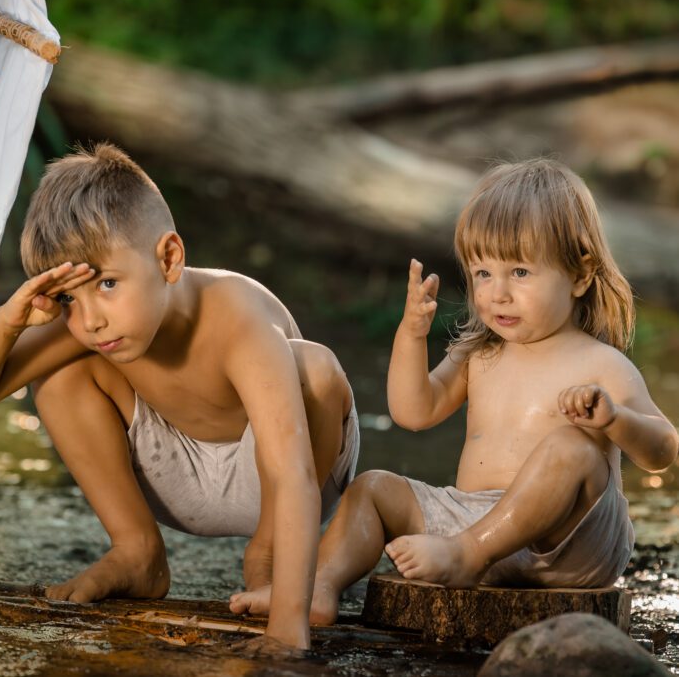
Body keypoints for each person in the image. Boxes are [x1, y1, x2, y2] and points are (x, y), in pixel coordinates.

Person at [229, 159, 678, 625]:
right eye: (483, 273)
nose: (497, 293)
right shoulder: (478, 354)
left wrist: (613, 421)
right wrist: (412, 335)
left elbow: (663, 449)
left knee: (573, 446)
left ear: (581, 275)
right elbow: (412, 411)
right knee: (373, 488)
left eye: (520, 272)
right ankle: (316, 589)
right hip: (471, 519)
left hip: (567, 543)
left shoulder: (601, 364)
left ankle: (469, 554)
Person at [0, 142, 360, 653]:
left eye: (106, 282)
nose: (91, 318)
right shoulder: (91, 326)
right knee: (59, 373)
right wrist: (9, 321)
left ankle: (270, 557)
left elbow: (293, 472)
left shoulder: (236, 316)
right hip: (176, 475)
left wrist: (286, 631)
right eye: (68, 298)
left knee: (316, 368)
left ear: (168, 257)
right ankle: (138, 551)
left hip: (284, 479)